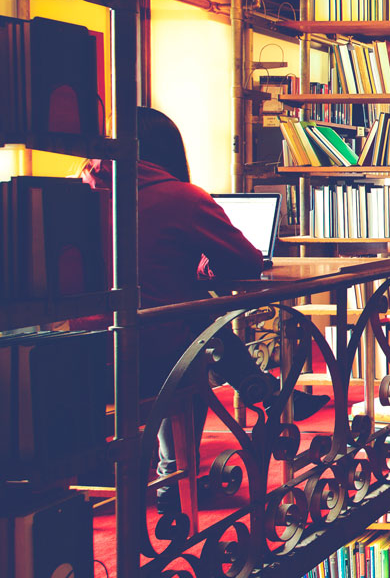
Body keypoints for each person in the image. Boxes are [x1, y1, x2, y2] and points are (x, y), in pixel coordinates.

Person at [82, 108, 327, 500]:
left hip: (87, 357)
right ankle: (177, 477)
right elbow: (245, 261)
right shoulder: (182, 198)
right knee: (196, 332)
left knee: (191, 318)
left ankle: (258, 393)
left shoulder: (80, 193)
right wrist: (204, 259)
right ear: (169, 151)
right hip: (159, 354)